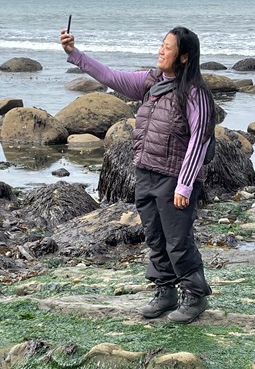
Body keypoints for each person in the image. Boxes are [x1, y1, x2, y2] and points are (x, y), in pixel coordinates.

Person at [60, 25, 216, 324]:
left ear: (183, 57)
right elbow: (110, 76)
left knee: (178, 241)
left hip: (174, 180)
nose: (161, 50)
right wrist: (74, 54)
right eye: (162, 44)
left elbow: (200, 139)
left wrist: (184, 185)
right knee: (155, 238)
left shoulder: (195, 94)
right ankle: (165, 291)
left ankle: (194, 296)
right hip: (146, 174)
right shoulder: (150, 82)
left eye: (168, 47)